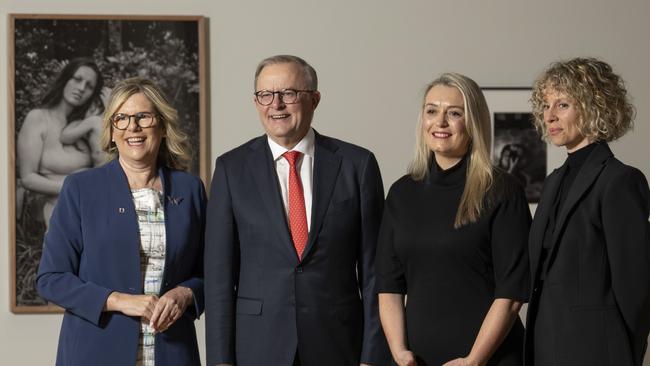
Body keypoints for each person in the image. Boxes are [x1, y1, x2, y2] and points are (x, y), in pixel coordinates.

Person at [204, 55, 390, 366]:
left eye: (288, 93)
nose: (275, 105)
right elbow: (219, 277)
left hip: (339, 344)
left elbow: (375, 274)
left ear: (314, 99)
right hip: (258, 347)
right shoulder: (231, 169)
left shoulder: (357, 165)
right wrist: (220, 360)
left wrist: (372, 356)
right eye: (265, 95)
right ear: (256, 101)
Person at [36, 77, 206, 366]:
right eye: (122, 118)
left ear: (162, 126)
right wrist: (119, 300)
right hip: (95, 351)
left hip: (172, 351)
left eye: (143, 117)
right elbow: (51, 279)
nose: (133, 127)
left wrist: (185, 293)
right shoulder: (80, 188)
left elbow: (211, 272)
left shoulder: (190, 189)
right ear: (112, 131)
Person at [376, 73, 531, 366]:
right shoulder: (401, 192)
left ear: (473, 122)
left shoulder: (502, 191)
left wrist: (474, 360)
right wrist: (399, 353)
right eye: (432, 111)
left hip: (489, 359)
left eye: (455, 113)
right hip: (416, 359)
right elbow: (389, 287)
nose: (441, 122)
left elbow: (511, 295)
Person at [525, 57, 650, 366]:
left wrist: (624, 355)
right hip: (545, 348)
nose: (550, 116)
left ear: (595, 107)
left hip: (599, 352)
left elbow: (636, 290)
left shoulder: (620, 181)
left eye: (562, 105)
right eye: (546, 105)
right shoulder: (553, 182)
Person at [17, 57, 105, 229]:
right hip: (54, 201)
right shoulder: (38, 118)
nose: (81, 88)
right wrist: (73, 189)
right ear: (65, 79)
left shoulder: (82, 126)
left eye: (89, 86)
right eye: (77, 79)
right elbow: (27, 178)